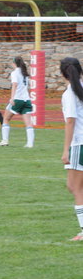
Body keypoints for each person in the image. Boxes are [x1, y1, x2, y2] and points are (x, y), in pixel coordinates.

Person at [59, 57, 83, 241]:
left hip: (79, 143)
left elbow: (70, 121)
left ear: (62, 73)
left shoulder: (70, 93)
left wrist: (65, 150)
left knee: (75, 187)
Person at [0, 56, 35, 147]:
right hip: (27, 100)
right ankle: (30, 144)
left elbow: (15, 85)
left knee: (6, 119)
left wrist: (12, 98)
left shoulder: (15, 73)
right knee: (28, 123)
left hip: (18, 99)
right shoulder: (25, 73)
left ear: (14, 63)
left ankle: (5, 140)